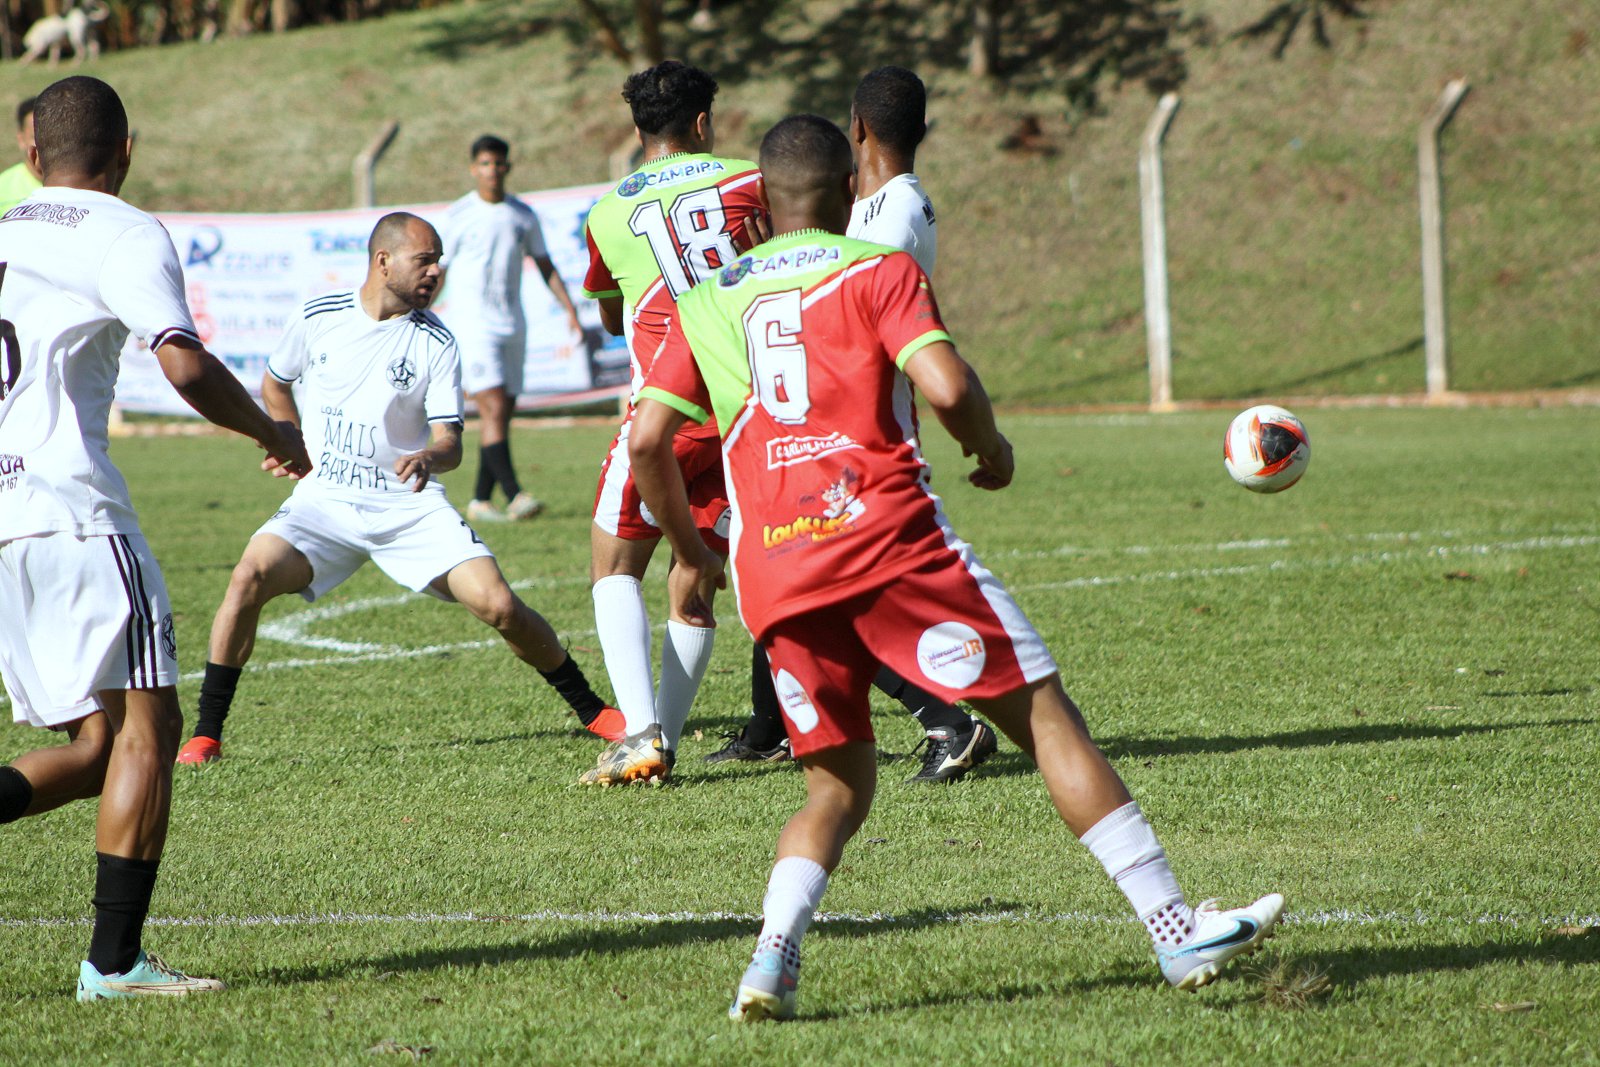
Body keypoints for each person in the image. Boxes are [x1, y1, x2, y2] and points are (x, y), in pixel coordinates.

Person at [628, 114, 1285, 1022]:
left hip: (775, 571)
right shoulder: (878, 269)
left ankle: (771, 958)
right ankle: (1176, 930)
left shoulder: (707, 300)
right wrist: (991, 445)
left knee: (836, 785)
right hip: (889, 545)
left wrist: (695, 550)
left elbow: (647, 441)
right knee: (1047, 720)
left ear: (761, 202)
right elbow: (944, 385)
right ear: (852, 191)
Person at [0, 75, 311, 1000]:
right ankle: (114, 964)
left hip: (5, 520)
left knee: (97, 743)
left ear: (31, 154)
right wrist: (270, 430)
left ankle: (115, 961)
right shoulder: (123, 230)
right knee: (152, 723)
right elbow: (181, 361)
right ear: (126, 152)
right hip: (72, 510)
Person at [173, 212, 617, 764]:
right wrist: (290, 442)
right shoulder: (318, 317)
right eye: (424, 260)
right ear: (383, 262)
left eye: (439, 262)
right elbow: (275, 383)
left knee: (500, 605)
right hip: (325, 503)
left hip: (408, 507)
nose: (436, 272)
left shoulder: (436, 341)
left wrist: (430, 455)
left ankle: (593, 710)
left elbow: (450, 440)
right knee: (248, 576)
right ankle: (206, 734)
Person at [713, 65, 1001, 785]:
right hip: (822, 420)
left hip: (849, 427)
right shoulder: (879, 205)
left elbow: (852, 312)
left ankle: (946, 717)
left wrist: (768, 269)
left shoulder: (891, 217)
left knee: (814, 580)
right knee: (779, 561)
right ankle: (769, 729)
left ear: (858, 127)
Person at [575, 60, 765, 783]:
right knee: (697, 573)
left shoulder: (606, 211)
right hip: (742, 410)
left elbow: (611, 315)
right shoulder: (750, 180)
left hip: (664, 409)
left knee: (613, 563)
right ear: (703, 123)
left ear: (636, 130)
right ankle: (666, 740)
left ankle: (641, 732)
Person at [440, 134, 583, 525]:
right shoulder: (458, 215)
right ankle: (515, 494)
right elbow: (440, 271)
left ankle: (480, 501)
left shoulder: (522, 215)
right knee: (493, 405)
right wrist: (418, 311)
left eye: (498, 163)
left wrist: (570, 309)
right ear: (474, 169)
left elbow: (546, 264)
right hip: (474, 325)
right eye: (485, 164)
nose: (492, 171)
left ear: (508, 167)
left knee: (501, 414)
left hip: (513, 324)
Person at [0, 97, 43, 214]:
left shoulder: (81, 184)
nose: (43, 144)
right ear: (21, 139)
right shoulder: (3, 192)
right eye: (35, 137)